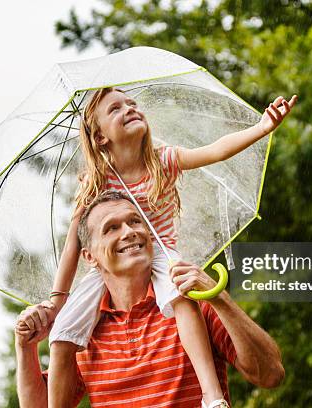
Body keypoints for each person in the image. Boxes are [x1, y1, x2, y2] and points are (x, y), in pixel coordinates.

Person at [19, 86, 296, 408]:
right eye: (115, 109)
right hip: (104, 276)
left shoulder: (162, 160)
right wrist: (56, 303)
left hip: (163, 256)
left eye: (131, 104)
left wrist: (261, 128)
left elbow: (216, 151)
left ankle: (212, 396)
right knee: (63, 331)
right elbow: (71, 245)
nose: (129, 109)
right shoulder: (96, 181)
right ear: (99, 138)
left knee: (182, 298)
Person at [16, 191, 285, 407]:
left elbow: (270, 374)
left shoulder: (191, 303)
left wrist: (219, 297)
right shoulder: (83, 332)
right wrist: (25, 348)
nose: (129, 232)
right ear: (89, 257)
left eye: (134, 221)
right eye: (111, 228)